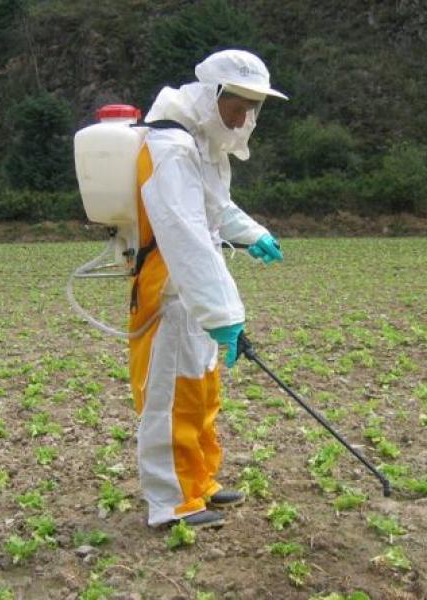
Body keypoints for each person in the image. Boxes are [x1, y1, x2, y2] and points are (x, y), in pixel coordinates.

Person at [128, 49, 287, 528]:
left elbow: (215, 209)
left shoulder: (200, 144)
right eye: (237, 106)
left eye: (251, 110)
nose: (243, 119)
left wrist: (252, 232)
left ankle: (200, 483)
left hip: (191, 286)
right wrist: (225, 313)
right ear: (212, 95)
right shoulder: (170, 147)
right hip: (170, 287)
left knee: (200, 388)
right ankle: (171, 502)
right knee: (173, 393)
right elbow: (185, 232)